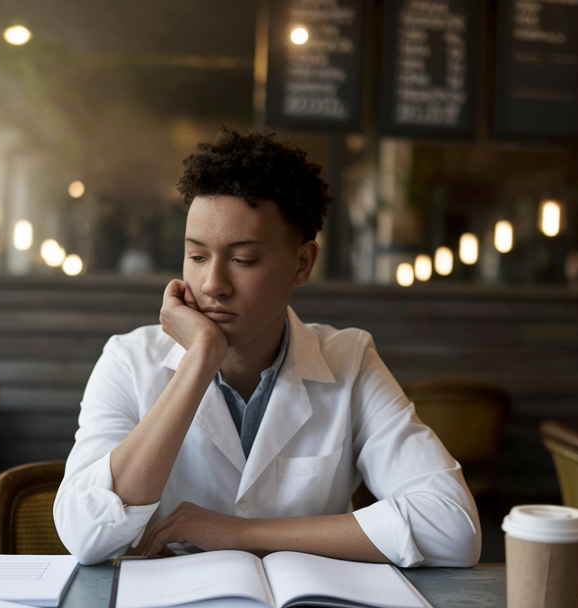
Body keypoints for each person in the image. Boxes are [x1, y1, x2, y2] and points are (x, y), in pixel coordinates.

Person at [54, 129, 480, 567]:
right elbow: (87, 535)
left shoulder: (349, 359)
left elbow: (453, 528)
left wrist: (238, 534)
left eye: (243, 260)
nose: (213, 285)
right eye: (197, 257)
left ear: (302, 263)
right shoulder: (128, 361)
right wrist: (199, 360)